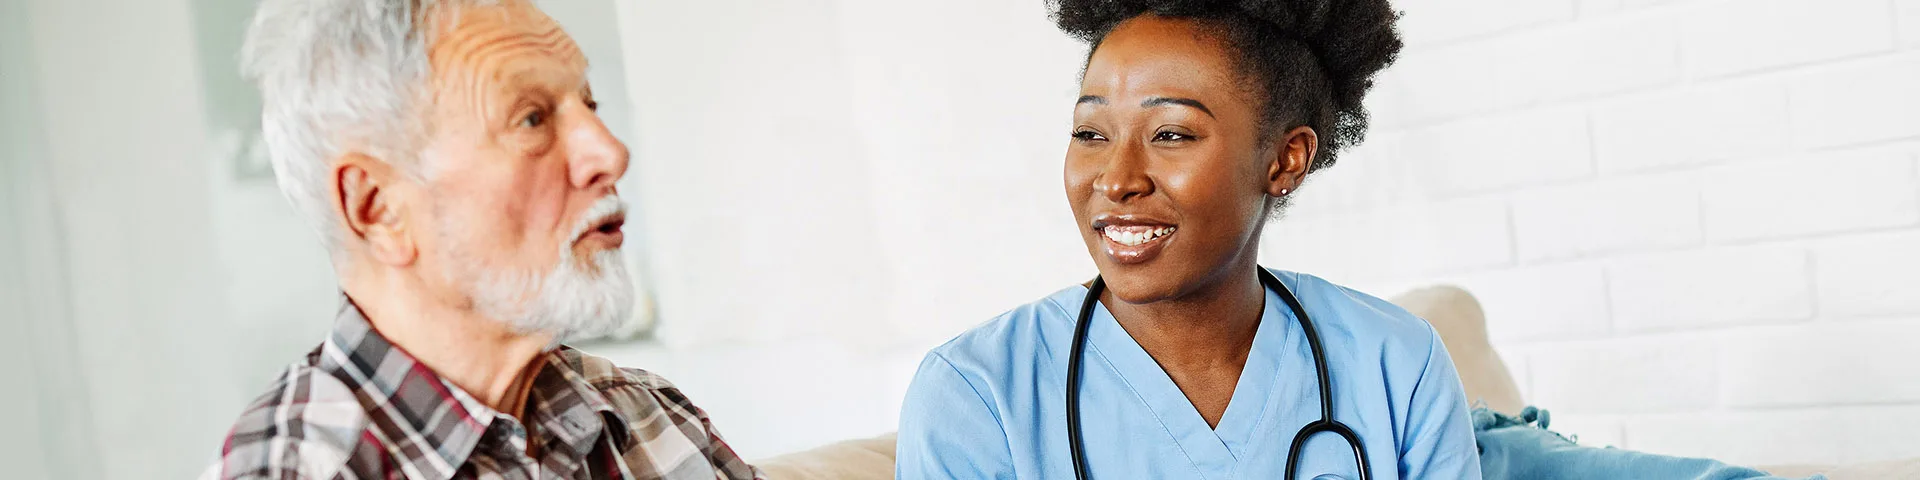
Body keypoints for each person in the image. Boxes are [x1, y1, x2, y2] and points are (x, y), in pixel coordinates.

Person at [895, 0, 1483, 478]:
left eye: (1171, 133)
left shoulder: (1396, 361)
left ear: (1286, 159)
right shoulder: (975, 394)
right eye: (1090, 133)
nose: (1117, 179)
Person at [205, 0, 762, 478]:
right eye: (532, 119)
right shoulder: (291, 469)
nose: (610, 153)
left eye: (589, 106)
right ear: (378, 208)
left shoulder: (646, 416)